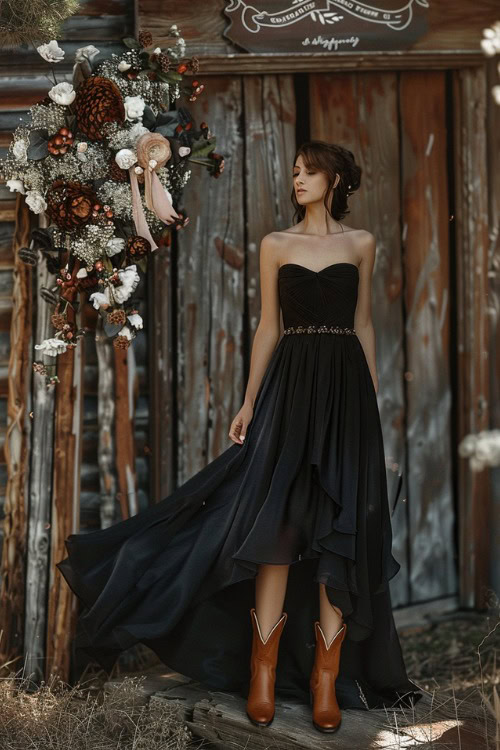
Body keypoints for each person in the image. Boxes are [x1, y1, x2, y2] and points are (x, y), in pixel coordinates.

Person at [57, 140, 422, 735]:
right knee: (276, 527)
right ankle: (262, 670)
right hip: (290, 392)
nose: (297, 180)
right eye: (294, 173)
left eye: (307, 173)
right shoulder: (276, 244)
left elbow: (363, 327)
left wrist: (371, 406)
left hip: (347, 398)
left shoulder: (361, 244)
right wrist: (249, 402)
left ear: (333, 180)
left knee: (339, 536)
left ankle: (326, 680)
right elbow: (267, 327)